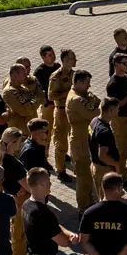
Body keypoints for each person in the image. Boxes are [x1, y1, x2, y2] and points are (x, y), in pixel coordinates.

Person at [0, 127, 31, 255]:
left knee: (17, 240)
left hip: (13, 201)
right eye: (19, 141)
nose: (21, 144)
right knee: (19, 242)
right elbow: (28, 186)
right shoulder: (12, 163)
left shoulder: (2, 158)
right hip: (20, 204)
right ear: (13, 143)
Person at [65, 70, 103, 210]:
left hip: (85, 140)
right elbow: (96, 112)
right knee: (83, 178)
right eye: (87, 83)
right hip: (80, 143)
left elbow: (98, 102)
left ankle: (89, 202)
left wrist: (94, 103)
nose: (89, 86)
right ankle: (83, 207)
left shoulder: (84, 95)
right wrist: (94, 105)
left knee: (88, 176)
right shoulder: (76, 99)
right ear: (79, 82)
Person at [48, 49, 77, 179]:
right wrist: (68, 93)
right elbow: (50, 96)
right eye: (72, 58)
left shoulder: (75, 74)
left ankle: (77, 166)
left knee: (76, 140)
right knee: (61, 141)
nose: (75, 60)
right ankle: (60, 170)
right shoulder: (56, 76)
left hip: (74, 111)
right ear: (64, 60)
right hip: (61, 111)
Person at [2, 62, 41, 136]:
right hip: (20, 134)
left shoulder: (22, 87)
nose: (27, 76)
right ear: (16, 75)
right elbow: (25, 111)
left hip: (30, 130)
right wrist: (37, 101)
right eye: (24, 74)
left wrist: (33, 102)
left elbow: (32, 100)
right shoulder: (10, 92)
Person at [89, 105, 123, 184]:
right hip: (104, 170)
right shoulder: (104, 131)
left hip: (95, 165)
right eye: (117, 109)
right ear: (110, 111)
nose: (118, 111)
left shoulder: (94, 121)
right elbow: (102, 156)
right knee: (107, 192)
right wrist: (116, 164)